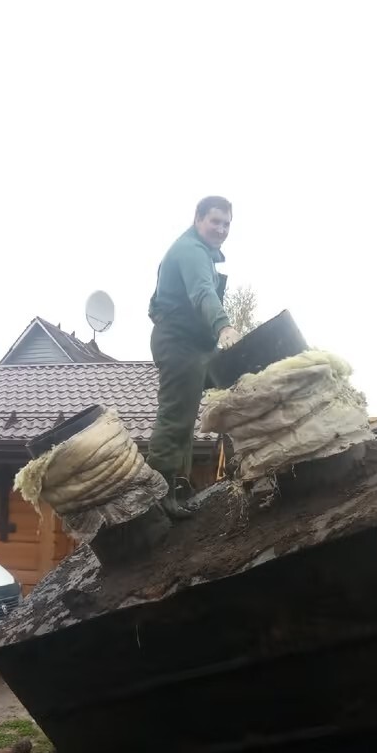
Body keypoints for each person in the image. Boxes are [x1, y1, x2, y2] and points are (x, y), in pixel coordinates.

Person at [146, 195, 240, 520]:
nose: (221, 229)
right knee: (175, 419)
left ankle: (180, 484)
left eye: (226, 223)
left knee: (227, 389)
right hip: (179, 345)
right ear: (198, 219)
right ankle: (159, 497)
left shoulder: (202, 253)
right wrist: (223, 326)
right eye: (215, 221)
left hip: (195, 345)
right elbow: (202, 292)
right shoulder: (192, 251)